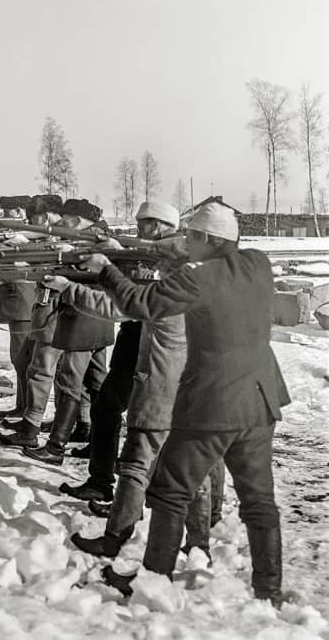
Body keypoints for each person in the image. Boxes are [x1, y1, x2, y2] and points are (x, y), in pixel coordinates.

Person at [78, 202, 290, 605]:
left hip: (213, 404)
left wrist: (106, 269)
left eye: (192, 236)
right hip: (260, 401)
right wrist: (181, 247)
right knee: (259, 501)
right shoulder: (257, 263)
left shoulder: (197, 281)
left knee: (171, 492)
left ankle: (154, 580)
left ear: (207, 240)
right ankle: (270, 591)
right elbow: (211, 255)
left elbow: (140, 304)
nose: (185, 243)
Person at [46, 201, 220, 558]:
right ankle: (199, 544)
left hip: (161, 389)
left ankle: (115, 539)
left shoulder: (171, 293)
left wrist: (70, 286)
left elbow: (117, 306)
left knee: (136, 463)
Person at [1, 199, 112, 457]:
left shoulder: (95, 241)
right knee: (88, 381)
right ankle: (84, 429)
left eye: (63, 219)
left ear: (73, 220)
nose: (60, 223)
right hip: (91, 317)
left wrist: (60, 259)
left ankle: (51, 441)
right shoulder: (95, 237)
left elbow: (91, 274)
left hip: (80, 316)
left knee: (64, 378)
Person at [0, 195, 35, 419]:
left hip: (23, 302)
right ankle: (22, 404)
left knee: (22, 358)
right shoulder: (15, 233)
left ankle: (27, 407)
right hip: (17, 300)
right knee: (18, 358)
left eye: (7, 211)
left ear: (18, 212)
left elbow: (6, 253)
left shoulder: (25, 235)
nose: (3, 215)